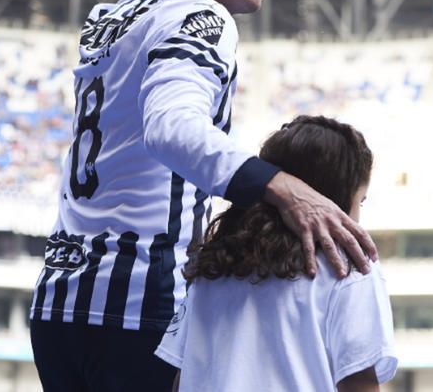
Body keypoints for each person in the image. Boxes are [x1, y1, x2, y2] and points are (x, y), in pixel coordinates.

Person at [29, 0, 377, 391]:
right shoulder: (203, 15)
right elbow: (171, 128)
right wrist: (285, 188)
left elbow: (159, 2)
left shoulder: (115, 14)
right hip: (138, 307)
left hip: (61, 304)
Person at [155, 116, 396, 391]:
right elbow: (359, 384)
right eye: (360, 201)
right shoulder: (350, 269)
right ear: (335, 200)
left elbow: (181, 379)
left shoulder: (214, 265)